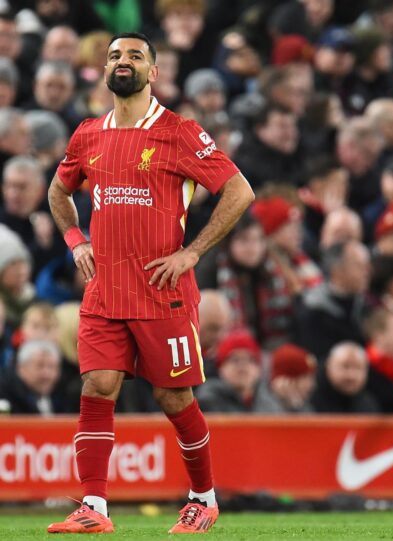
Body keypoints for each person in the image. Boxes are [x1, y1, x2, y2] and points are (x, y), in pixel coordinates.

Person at [46, 33, 254, 534]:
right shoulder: (87, 134)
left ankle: (203, 498)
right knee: (97, 387)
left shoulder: (179, 132)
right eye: (115, 55)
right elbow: (58, 189)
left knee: (173, 399)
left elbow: (239, 190)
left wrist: (192, 252)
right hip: (104, 289)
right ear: (105, 69)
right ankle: (93, 508)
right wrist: (76, 240)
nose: (123, 61)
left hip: (163, 291)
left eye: (135, 55)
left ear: (153, 72)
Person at [311, 342, 380, 413]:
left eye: (357, 368)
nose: (351, 375)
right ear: (328, 366)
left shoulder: (369, 405)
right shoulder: (310, 400)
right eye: (345, 366)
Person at [0, 339, 64, 415]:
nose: (46, 374)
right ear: (21, 367)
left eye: (51, 367)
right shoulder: (5, 395)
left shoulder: (63, 394)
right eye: (40, 366)